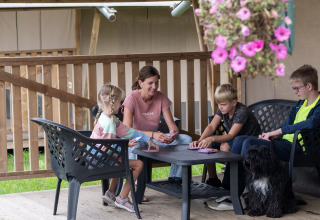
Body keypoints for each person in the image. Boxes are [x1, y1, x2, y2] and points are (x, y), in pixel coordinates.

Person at [225, 64, 320, 195]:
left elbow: (311, 123)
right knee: (240, 140)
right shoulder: (300, 104)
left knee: (250, 144)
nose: (295, 92)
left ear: (309, 86)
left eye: (297, 88)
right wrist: (271, 136)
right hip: (284, 144)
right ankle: (226, 189)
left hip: (298, 148)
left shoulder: (318, 105)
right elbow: (286, 125)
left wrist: (278, 132)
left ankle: (236, 194)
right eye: (293, 89)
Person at [90, 83, 159, 213]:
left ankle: (110, 193)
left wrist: (146, 138)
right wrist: (125, 144)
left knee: (122, 159)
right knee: (138, 164)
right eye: (120, 102)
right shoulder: (110, 124)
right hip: (99, 161)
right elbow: (109, 147)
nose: (122, 105)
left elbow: (128, 132)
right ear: (113, 102)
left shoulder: (108, 118)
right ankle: (122, 198)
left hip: (96, 157)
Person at [123, 66, 192, 184]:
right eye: (150, 83)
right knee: (136, 146)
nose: (154, 87)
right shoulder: (132, 98)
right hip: (137, 139)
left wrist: (173, 135)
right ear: (141, 83)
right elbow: (127, 130)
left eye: (156, 83)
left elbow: (172, 126)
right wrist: (152, 134)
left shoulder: (161, 97)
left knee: (186, 139)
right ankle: (136, 187)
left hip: (154, 140)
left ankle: (175, 179)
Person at [189, 84, 261, 187]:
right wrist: (200, 141)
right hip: (235, 140)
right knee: (206, 144)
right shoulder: (223, 109)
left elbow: (231, 135)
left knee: (225, 147)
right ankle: (213, 180)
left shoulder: (242, 111)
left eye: (223, 104)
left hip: (249, 142)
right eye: (218, 104)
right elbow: (212, 126)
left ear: (234, 102)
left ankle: (232, 183)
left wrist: (212, 138)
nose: (220, 107)